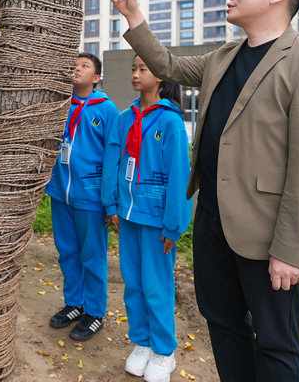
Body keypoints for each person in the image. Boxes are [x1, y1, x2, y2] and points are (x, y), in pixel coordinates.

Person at [109, 0, 299, 382]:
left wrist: (292, 250)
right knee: (222, 323)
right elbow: (166, 66)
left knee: (276, 343)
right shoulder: (224, 56)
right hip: (213, 224)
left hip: (267, 235)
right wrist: (133, 15)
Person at [102, 56, 192, 382]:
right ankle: (141, 343)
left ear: (162, 75)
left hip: (156, 220)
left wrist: (174, 223)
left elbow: (180, 174)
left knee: (157, 286)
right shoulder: (125, 117)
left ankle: (163, 351)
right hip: (128, 215)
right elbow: (113, 160)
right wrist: (110, 204)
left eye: (144, 68)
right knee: (133, 283)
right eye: (133, 68)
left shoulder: (170, 122)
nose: (136, 74)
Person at [44, 52, 118, 341]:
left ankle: (95, 311)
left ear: (96, 77)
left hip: (91, 197)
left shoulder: (106, 109)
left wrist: (110, 199)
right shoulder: (61, 105)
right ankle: (74, 303)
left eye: (85, 66)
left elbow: (114, 154)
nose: (77, 69)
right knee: (67, 252)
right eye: (74, 65)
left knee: (93, 255)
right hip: (61, 193)